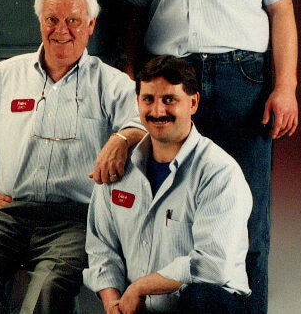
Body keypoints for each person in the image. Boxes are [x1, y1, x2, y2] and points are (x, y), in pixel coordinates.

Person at [113, 0, 301, 313]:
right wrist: (135, 82)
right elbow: (133, 15)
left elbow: (281, 10)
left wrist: (285, 88)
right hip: (171, 85)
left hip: (243, 80)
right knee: (172, 213)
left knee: (245, 216)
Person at [0, 0, 146, 314]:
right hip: (7, 213)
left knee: (47, 288)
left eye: (73, 20)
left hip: (76, 219)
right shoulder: (5, 76)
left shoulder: (111, 82)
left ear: (90, 25)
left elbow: (144, 123)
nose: (61, 30)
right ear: (40, 23)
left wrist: (121, 138)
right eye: (52, 19)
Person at [84, 55, 251, 313]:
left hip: (205, 306)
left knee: (202, 298)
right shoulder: (117, 167)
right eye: (148, 99)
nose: (157, 111)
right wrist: (113, 304)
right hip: (138, 308)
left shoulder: (219, 172)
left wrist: (140, 287)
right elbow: (101, 249)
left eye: (169, 100)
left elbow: (212, 266)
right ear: (136, 102)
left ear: (193, 102)